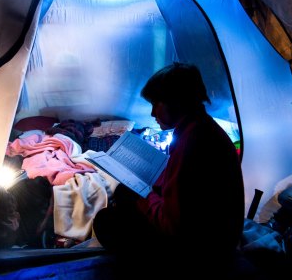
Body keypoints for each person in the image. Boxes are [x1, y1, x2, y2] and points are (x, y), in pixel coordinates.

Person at [92, 62, 245, 278]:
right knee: (123, 193)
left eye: (157, 103)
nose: (153, 112)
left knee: (106, 221)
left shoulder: (193, 143)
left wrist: (146, 199)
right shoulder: (203, 127)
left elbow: (173, 226)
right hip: (217, 237)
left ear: (177, 101)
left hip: (200, 253)